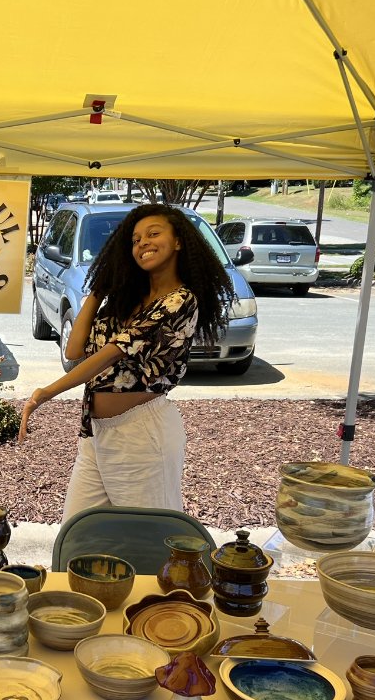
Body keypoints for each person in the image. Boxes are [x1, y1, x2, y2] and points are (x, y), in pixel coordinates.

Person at [18, 204, 230, 519]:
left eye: (153, 234)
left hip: (142, 434)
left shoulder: (181, 301)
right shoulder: (125, 300)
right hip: (96, 433)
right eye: (135, 240)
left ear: (178, 241)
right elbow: (74, 350)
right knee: (78, 534)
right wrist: (99, 289)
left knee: (147, 537)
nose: (143, 243)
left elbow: (114, 351)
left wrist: (46, 392)